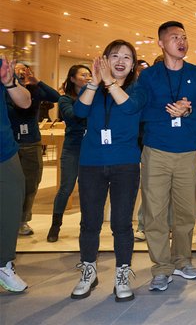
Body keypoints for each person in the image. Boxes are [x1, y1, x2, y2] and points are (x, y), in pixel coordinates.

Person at [70, 40, 147, 301]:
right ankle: (88, 271)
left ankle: (122, 274)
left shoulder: (138, 89)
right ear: (104, 60)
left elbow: (129, 108)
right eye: (115, 56)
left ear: (133, 64)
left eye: (127, 57)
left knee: (121, 223)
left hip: (124, 163)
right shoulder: (95, 88)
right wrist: (94, 81)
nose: (120, 61)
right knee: (89, 221)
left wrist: (110, 83)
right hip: (91, 162)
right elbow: (79, 111)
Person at [137, 21, 196, 291]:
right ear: (160, 43)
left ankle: (182, 261)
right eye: (174, 37)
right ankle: (161, 267)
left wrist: (189, 111)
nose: (182, 41)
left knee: (185, 214)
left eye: (184, 37)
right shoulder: (148, 77)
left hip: (188, 153)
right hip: (156, 151)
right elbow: (140, 110)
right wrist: (171, 110)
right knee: (155, 213)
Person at [5, 62, 59, 236]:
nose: (21, 71)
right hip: (9, 143)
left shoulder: (35, 90)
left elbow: (55, 97)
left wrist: (38, 82)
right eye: (17, 68)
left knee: (31, 183)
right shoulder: (5, 88)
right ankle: (7, 221)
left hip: (31, 142)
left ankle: (23, 221)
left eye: (24, 69)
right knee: (10, 185)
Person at [47, 64, 92, 242]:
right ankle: (55, 225)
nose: (87, 77)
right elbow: (74, 117)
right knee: (66, 187)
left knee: (88, 190)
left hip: (91, 149)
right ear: (72, 79)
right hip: (73, 148)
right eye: (83, 75)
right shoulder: (66, 99)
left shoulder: (95, 97)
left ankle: (86, 228)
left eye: (89, 74)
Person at [0, 55, 32, 292]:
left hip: (4, 150)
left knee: (10, 207)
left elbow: (25, 102)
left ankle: (3, 263)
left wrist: (10, 82)